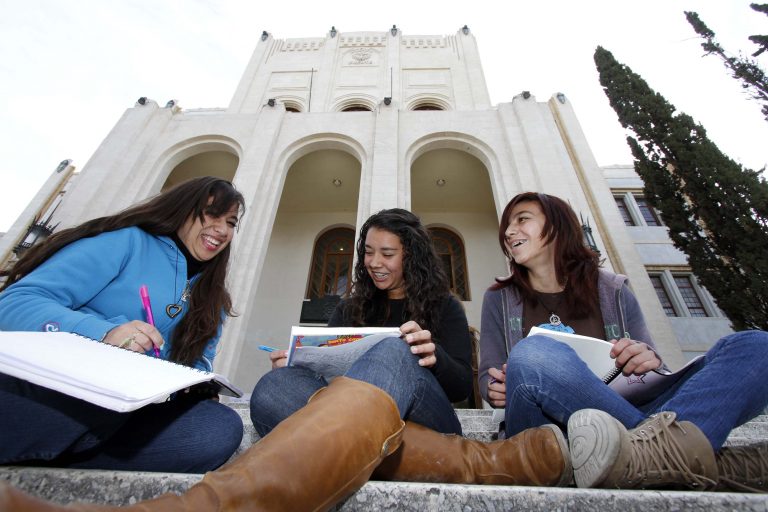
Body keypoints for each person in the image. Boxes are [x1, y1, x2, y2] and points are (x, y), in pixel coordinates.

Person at [251, 208, 571, 487]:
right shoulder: (349, 309)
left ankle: (343, 456)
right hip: (365, 424)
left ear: (411, 256)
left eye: (387, 254)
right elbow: (324, 373)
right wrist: (299, 363)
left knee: (394, 349)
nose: (375, 263)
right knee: (273, 389)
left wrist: (432, 357)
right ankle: (387, 459)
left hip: (428, 418)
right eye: (368, 252)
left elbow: (461, 386)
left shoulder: (445, 306)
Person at [478, 191, 768, 492]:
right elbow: (487, 377)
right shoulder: (499, 298)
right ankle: (684, 454)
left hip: (629, 406)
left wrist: (647, 359)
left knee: (757, 346)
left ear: (558, 226)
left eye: (522, 220)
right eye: (507, 228)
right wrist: (496, 385)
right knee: (533, 354)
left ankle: (649, 456)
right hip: (550, 427)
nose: (510, 232)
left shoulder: (613, 289)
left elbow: (656, 368)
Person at [0, 176, 245, 474]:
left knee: (218, 428)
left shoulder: (216, 297)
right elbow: (15, 303)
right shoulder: (125, 242)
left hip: (133, 411)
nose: (222, 230)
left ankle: (56, 454)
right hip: (64, 387)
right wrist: (104, 334)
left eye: (231, 222)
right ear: (182, 209)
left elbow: (200, 362)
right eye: (211, 214)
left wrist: (198, 386)